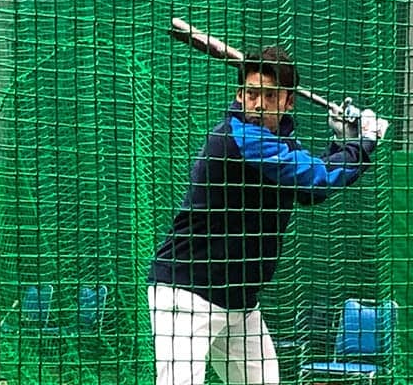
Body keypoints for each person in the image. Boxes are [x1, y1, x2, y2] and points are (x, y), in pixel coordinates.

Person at [146, 45, 388, 385]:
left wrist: (341, 143)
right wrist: (362, 144)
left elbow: (308, 191)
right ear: (239, 95)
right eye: (251, 94)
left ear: (288, 101)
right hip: (187, 294)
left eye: (270, 96)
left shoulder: (280, 142)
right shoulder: (241, 139)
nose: (259, 104)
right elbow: (317, 179)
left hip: (238, 300)